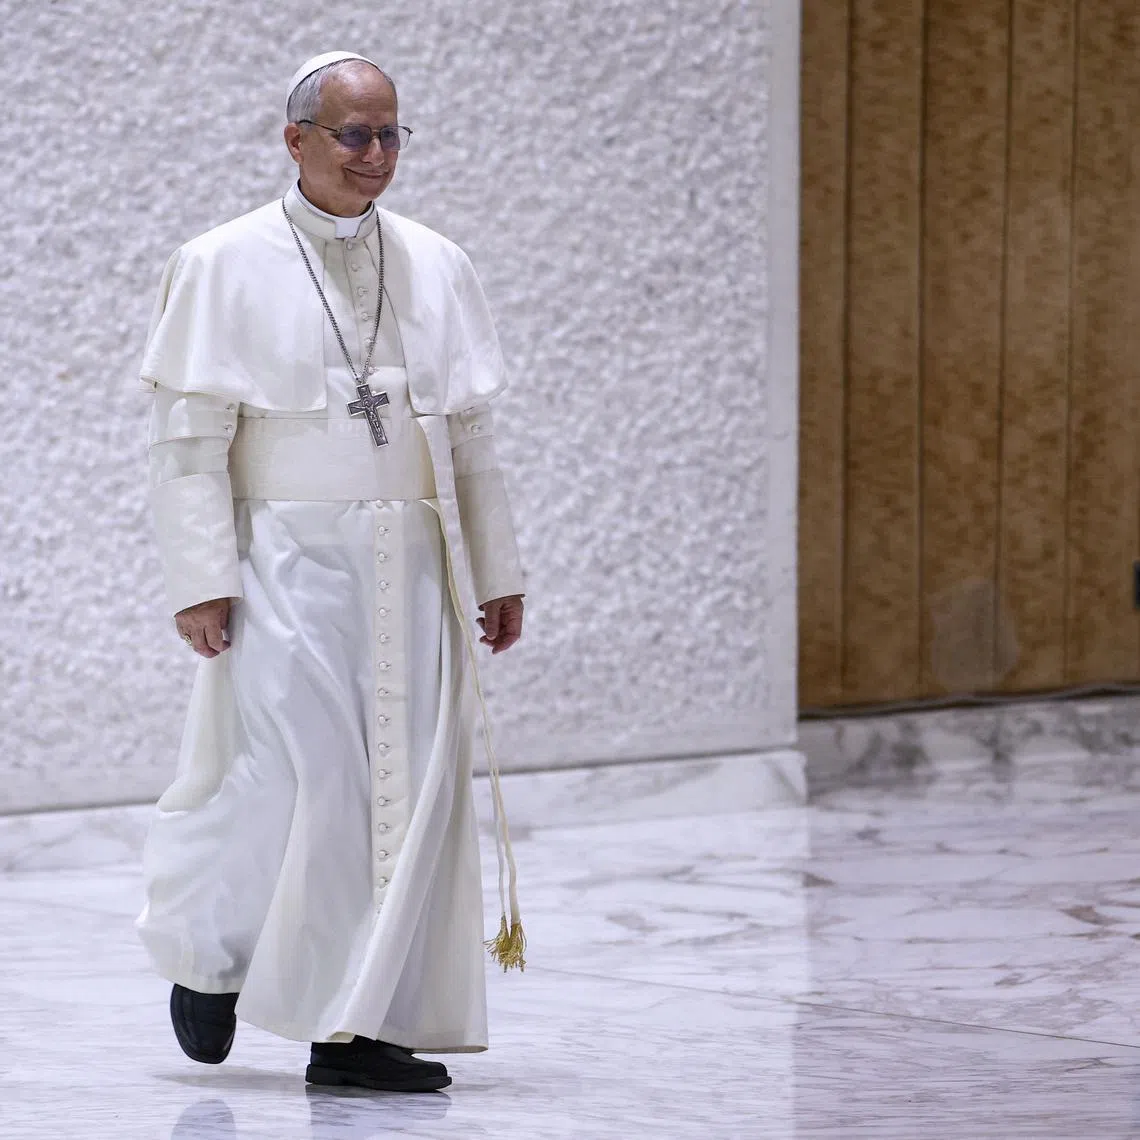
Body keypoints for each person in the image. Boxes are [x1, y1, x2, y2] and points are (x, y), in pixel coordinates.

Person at [135, 50, 527, 1094]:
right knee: (280, 778)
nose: (376, 154)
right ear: (296, 139)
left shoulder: (438, 261)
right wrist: (201, 578)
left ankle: (357, 1033)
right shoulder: (221, 263)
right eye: (355, 134)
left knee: (401, 795)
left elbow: (471, 436)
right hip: (285, 561)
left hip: (413, 568)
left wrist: (498, 569)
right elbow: (188, 442)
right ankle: (213, 958)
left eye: (391, 133)